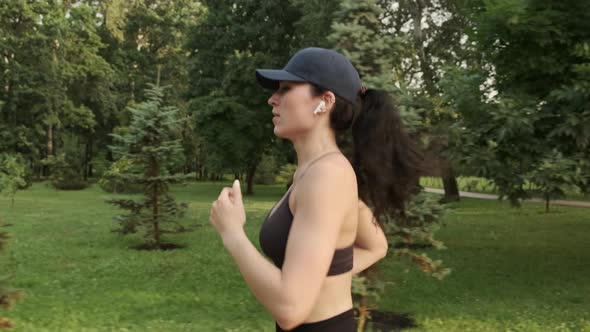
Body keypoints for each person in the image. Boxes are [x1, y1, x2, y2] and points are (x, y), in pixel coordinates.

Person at [209, 47, 425, 331]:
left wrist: (232, 233)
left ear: (325, 101)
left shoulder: (327, 176)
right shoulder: (312, 172)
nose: (272, 99)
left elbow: (290, 309)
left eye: (286, 89)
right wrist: (319, 279)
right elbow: (376, 245)